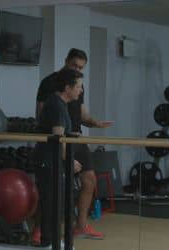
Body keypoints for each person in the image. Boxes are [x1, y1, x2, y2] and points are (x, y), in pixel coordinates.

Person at [36, 49, 112, 240]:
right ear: (66, 61)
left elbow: (82, 114)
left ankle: (81, 226)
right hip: (58, 139)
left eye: (81, 67)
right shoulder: (50, 85)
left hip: (74, 137)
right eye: (74, 66)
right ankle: (41, 229)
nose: (77, 70)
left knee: (89, 180)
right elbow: (42, 115)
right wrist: (57, 137)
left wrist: (95, 123)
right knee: (52, 186)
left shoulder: (78, 84)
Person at [34, 68, 85, 248]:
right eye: (78, 86)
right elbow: (58, 138)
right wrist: (70, 161)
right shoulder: (56, 105)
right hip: (49, 161)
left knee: (57, 201)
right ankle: (48, 242)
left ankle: (53, 240)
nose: (81, 90)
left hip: (53, 161)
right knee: (51, 202)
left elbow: (61, 134)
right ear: (67, 88)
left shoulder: (60, 104)